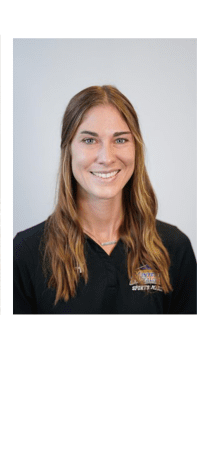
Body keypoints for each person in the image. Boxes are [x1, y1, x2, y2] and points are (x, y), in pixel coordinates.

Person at [13, 85, 196, 313]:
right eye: (90, 141)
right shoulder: (25, 253)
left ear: (136, 149)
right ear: (68, 150)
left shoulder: (174, 248)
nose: (106, 158)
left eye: (120, 140)